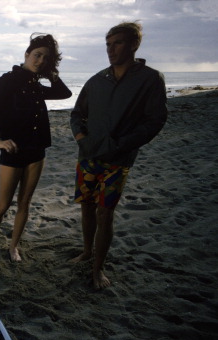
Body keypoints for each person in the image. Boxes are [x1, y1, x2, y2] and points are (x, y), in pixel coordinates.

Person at [70, 21, 167, 289]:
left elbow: (155, 120)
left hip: (118, 160)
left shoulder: (150, 79)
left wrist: (123, 144)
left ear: (134, 44)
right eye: (108, 44)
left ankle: (98, 268)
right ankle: (87, 252)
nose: (111, 50)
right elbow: (77, 114)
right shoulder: (97, 79)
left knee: (105, 213)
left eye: (118, 43)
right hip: (88, 156)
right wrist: (81, 138)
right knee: (86, 207)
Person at [0, 33, 71, 262]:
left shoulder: (38, 86)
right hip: (13, 151)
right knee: (4, 202)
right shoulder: (8, 80)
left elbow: (64, 93)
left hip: (37, 150)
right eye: (37, 55)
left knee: (24, 203)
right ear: (27, 54)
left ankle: (13, 246)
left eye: (45, 58)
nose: (40, 61)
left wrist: (52, 74)